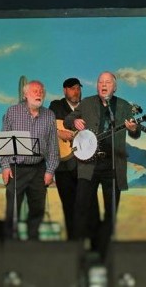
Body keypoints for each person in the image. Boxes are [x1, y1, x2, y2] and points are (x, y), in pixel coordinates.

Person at [64, 71, 140, 257]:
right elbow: (67, 121)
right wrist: (75, 120)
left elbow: (136, 134)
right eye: (100, 82)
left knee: (111, 213)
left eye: (107, 82)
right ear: (97, 85)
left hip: (113, 166)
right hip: (89, 165)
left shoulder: (123, 106)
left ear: (115, 87)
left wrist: (134, 128)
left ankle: (102, 252)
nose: (103, 85)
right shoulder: (87, 102)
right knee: (81, 209)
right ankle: (77, 252)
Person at [0, 80, 59, 240]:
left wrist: (50, 170)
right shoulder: (12, 112)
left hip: (39, 169)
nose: (39, 94)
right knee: (12, 211)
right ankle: (10, 244)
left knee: (38, 209)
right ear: (25, 94)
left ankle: (33, 243)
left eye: (41, 91)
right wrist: (5, 167)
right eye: (35, 91)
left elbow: (53, 147)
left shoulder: (49, 115)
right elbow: (3, 142)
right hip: (16, 169)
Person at [49, 77, 100, 241]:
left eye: (78, 88)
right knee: (69, 205)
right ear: (65, 90)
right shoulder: (56, 106)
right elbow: (48, 125)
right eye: (72, 88)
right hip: (63, 165)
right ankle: (74, 244)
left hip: (84, 164)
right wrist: (59, 132)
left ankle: (94, 243)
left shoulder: (88, 107)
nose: (76, 91)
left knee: (90, 204)